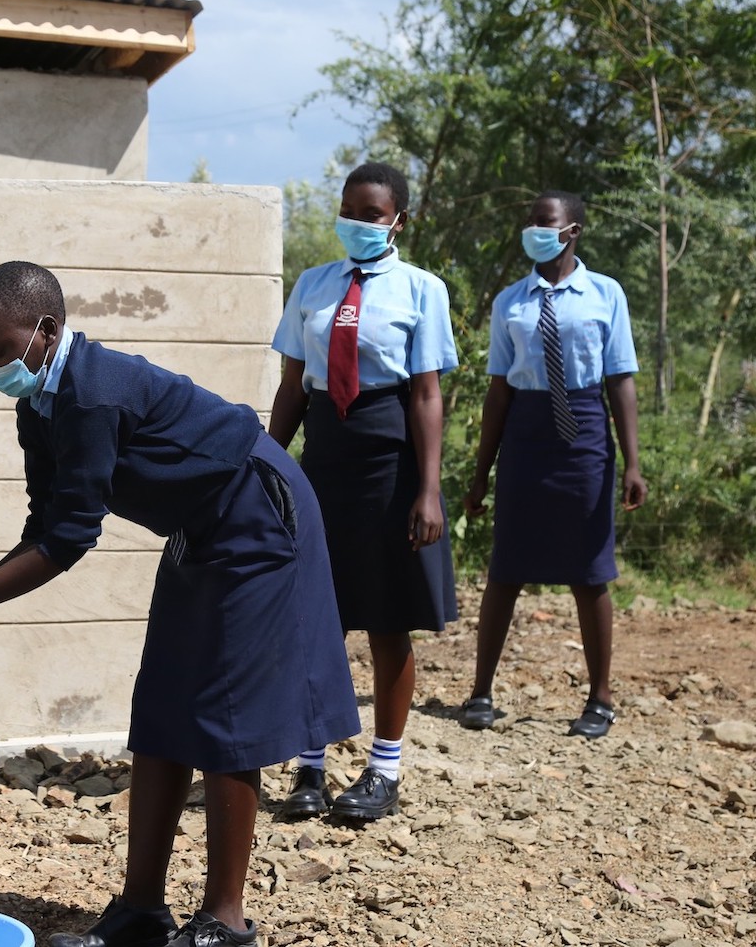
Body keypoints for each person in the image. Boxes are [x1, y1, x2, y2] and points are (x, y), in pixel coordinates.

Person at [0, 261, 359, 947]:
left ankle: (224, 919)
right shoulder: (39, 404)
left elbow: (69, 540)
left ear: (46, 330)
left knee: (227, 713)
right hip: (200, 523)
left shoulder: (90, 396)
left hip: (255, 511)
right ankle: (140, 910)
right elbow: (43, 523)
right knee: (164, 700)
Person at [267, 162, 459, 822]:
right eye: (348, 209)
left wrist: (428, 488)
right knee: (315, 617)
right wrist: (269, 459)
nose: (357, 222)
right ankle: (310, 766)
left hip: (389, 455)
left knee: (385, 618)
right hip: (325, 454)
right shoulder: (313, 285)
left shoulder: (421, 290)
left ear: (397, 221)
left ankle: (383, 770)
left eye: (371, 213)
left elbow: (427, 392)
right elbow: (294, 382)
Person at [459, 190, 647, 739]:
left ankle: (601, 697)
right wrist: (481, 472)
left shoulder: (605, 294)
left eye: (546, 223)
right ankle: (481, 692)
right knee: (506, 568)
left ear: (573, 232)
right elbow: (498, 392)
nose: (534, 230)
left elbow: (621, 379)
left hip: (585, 432)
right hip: (526, 433)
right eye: (530, 222)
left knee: (590, 572)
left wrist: (634, 462)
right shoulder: (510, 303)